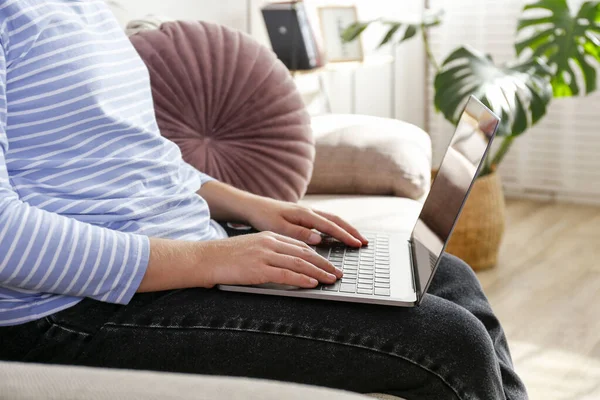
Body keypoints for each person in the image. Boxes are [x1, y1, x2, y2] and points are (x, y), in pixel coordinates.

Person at [0, 1, 528, 399]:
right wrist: (211, 260)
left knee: (450, 275)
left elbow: (142, 161)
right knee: (451, 342)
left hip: (184, 254)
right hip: (70, 311)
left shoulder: (84, 9)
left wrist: (253, 207)